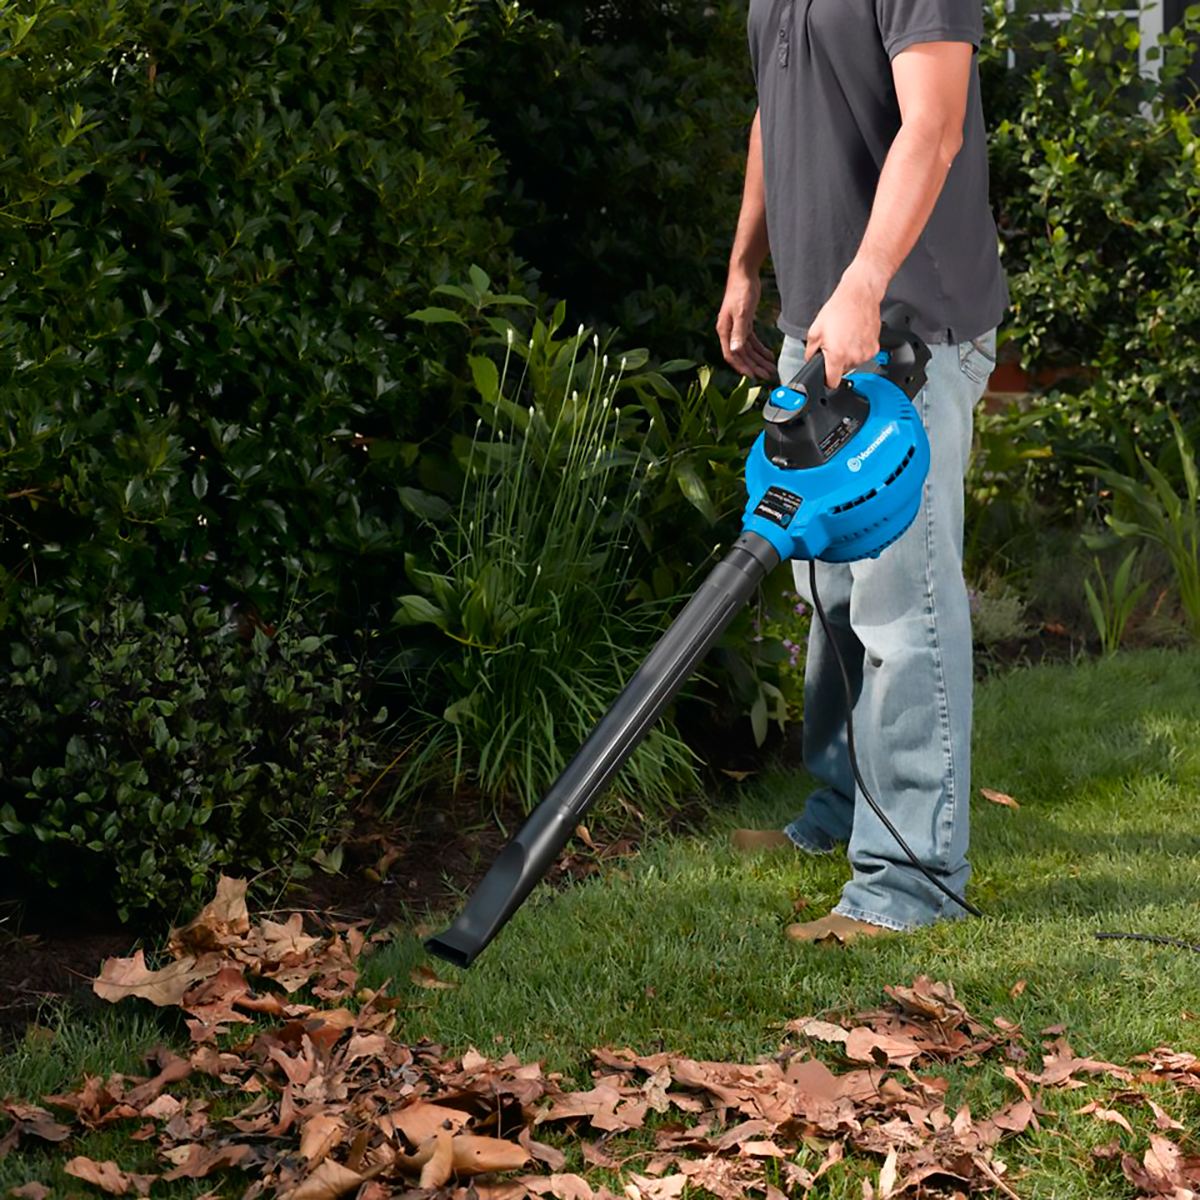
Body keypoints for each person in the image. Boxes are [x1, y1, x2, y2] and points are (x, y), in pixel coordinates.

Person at [716, 0, 1008, 943]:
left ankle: (909, 879)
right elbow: (776, 112)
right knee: (830, 590)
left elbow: (936, 122)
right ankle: (844, 812)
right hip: (825, 320)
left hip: (907, 324)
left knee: (901, 603)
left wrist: (862, 284)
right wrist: (746, 265)